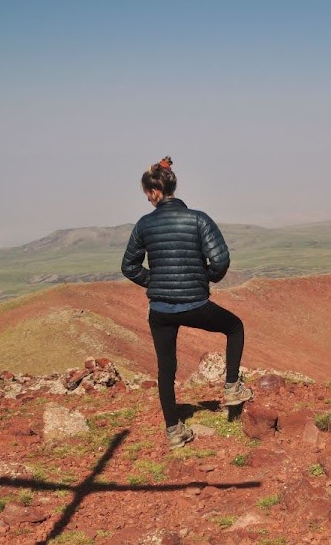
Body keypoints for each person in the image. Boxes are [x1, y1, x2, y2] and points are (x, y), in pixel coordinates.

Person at [121, 156, 252, 449]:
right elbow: (220, 259)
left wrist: (154, 282)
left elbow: (129, 267)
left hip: (160, 309)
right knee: (234, 327)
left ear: (153, 192)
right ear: (172, 187)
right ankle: (232, 387)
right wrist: (204, 278)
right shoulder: (198, 218)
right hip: (195, 303)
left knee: (165, 368)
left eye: (146, 193)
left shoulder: (144, 225)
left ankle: (174, 431)